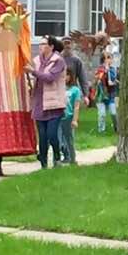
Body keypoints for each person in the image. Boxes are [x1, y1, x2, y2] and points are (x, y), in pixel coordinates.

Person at [27, 36, 68, 168]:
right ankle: (43, 163)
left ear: (51, 46)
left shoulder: (58, 61)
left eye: (44, 44)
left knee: (51, 134)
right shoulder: (37, 61)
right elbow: (34, 78)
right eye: (40, 44)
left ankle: (57, 157)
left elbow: (50, 78)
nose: (40, 46)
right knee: (42, 137)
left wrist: (33, 72)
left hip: (54, 104)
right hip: (39, 103)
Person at [59, 72, 83, 165]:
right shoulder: (57, 89)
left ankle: (72, 159)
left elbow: (76, 106)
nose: (64, 77)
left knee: (69, 140)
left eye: (66, 75)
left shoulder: (75, 90)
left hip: (68, 117)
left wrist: (74, 120)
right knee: (57, 140)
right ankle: (57, 161)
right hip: (58, 117)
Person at [61, 37, 90, 107]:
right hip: (59, 90)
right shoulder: (56, 58)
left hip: (72, 91)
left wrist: (85, 95)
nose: (67, 46)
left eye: (69, 43)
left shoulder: (77, 60)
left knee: (73, 113)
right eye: (65, 43)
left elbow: (83, 78)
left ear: (72, 45)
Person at [94, 53, 119, 133]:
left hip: (110, 95)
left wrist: (108, 71)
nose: (110, 60)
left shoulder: (112, 69)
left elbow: (112, 79)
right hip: (101, 95)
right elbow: (98, 78)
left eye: (110, 58)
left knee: (113, 113)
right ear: (104, 60)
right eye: (108, 58)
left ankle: (117, 128)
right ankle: (101, 130)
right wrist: (104, 71)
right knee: (102, 114)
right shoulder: (100, 69)